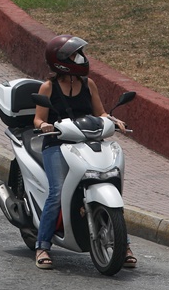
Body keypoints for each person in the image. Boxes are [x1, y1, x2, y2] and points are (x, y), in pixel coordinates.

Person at [28, 34, 131, 270]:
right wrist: (44, 126)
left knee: (111, 182)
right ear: (61, 60)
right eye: (76, 55)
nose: (82, 59)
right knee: (57, 192)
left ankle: (123, 243)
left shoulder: (88, 84)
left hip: (86, 142)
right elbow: (38, 118)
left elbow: (100, 113)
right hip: (56, 143)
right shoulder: (48, 87)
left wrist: (113, 120)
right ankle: (42, 245)